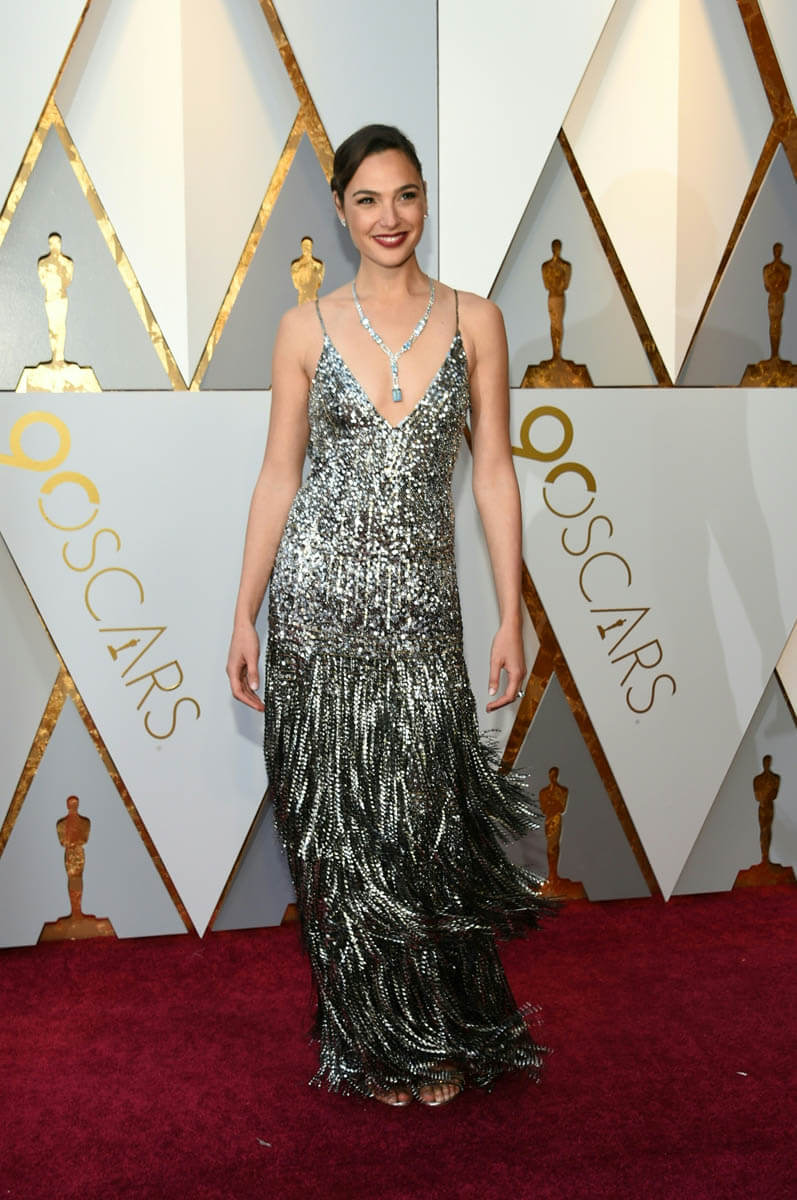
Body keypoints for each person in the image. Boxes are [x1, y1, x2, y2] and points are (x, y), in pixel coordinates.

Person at [227, 125, 556, 1108]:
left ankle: (432, 1030)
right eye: (367, 199)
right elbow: (278, 475)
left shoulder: (475, 320)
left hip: (421, 615)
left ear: (424, 201)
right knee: (339, 842)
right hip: (316, 610)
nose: (388, 217)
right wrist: (243, 612)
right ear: (340, 210)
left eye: (404, 195)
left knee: (423, 831)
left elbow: (492, 474)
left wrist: (510, 613)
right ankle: (376, 1045)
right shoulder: (304, 328)